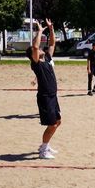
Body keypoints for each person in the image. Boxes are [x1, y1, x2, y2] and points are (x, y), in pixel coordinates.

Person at [26, 19, 61, 160]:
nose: (41, 49)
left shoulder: (46, 58)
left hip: (53, 95)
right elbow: (35, 48)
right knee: (52, 124)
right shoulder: (36, 64)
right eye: (39, 49)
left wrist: (51, 29)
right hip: (45, 97)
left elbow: (52, 44)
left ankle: (45, 146)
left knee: (58, 122)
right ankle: (43, 151)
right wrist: (40, 31)